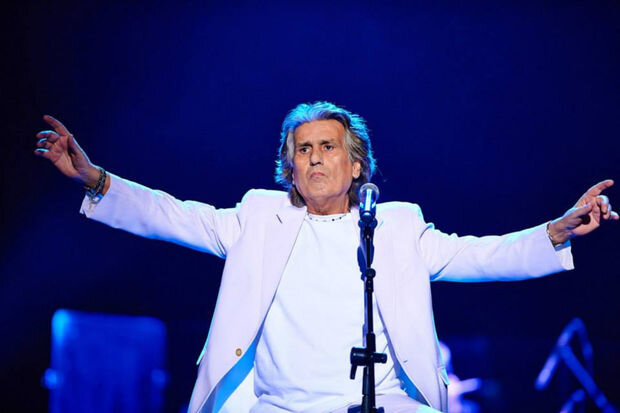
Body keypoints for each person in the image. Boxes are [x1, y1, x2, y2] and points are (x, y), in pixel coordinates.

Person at [35, 102, 617, 413]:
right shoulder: (257, 218)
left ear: (355, 164)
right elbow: (173, 214)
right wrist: (96, 179)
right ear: (289, 167)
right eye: (303, 149)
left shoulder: (396, 224)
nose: (314, 157)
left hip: (385, 405)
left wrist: (555, 231)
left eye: (328, 147)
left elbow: (480, 255)